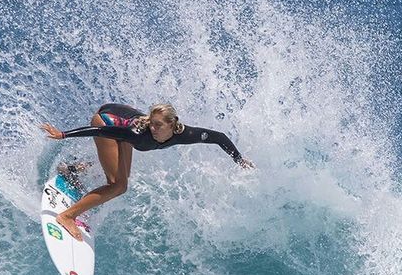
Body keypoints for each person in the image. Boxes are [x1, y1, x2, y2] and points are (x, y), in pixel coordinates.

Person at [41, 103, 253, 240]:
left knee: (122, 177)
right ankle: (67, 216)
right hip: (108, 121)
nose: (153, 128)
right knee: (118, 185)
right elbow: (100, 130)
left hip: (120, 121)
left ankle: (73, 170)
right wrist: (63, 135)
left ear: (172, 124)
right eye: (152, 124)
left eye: (158, 125)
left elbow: (219, 137)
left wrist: (239, 160)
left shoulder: (184, 134)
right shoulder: (138, 133)